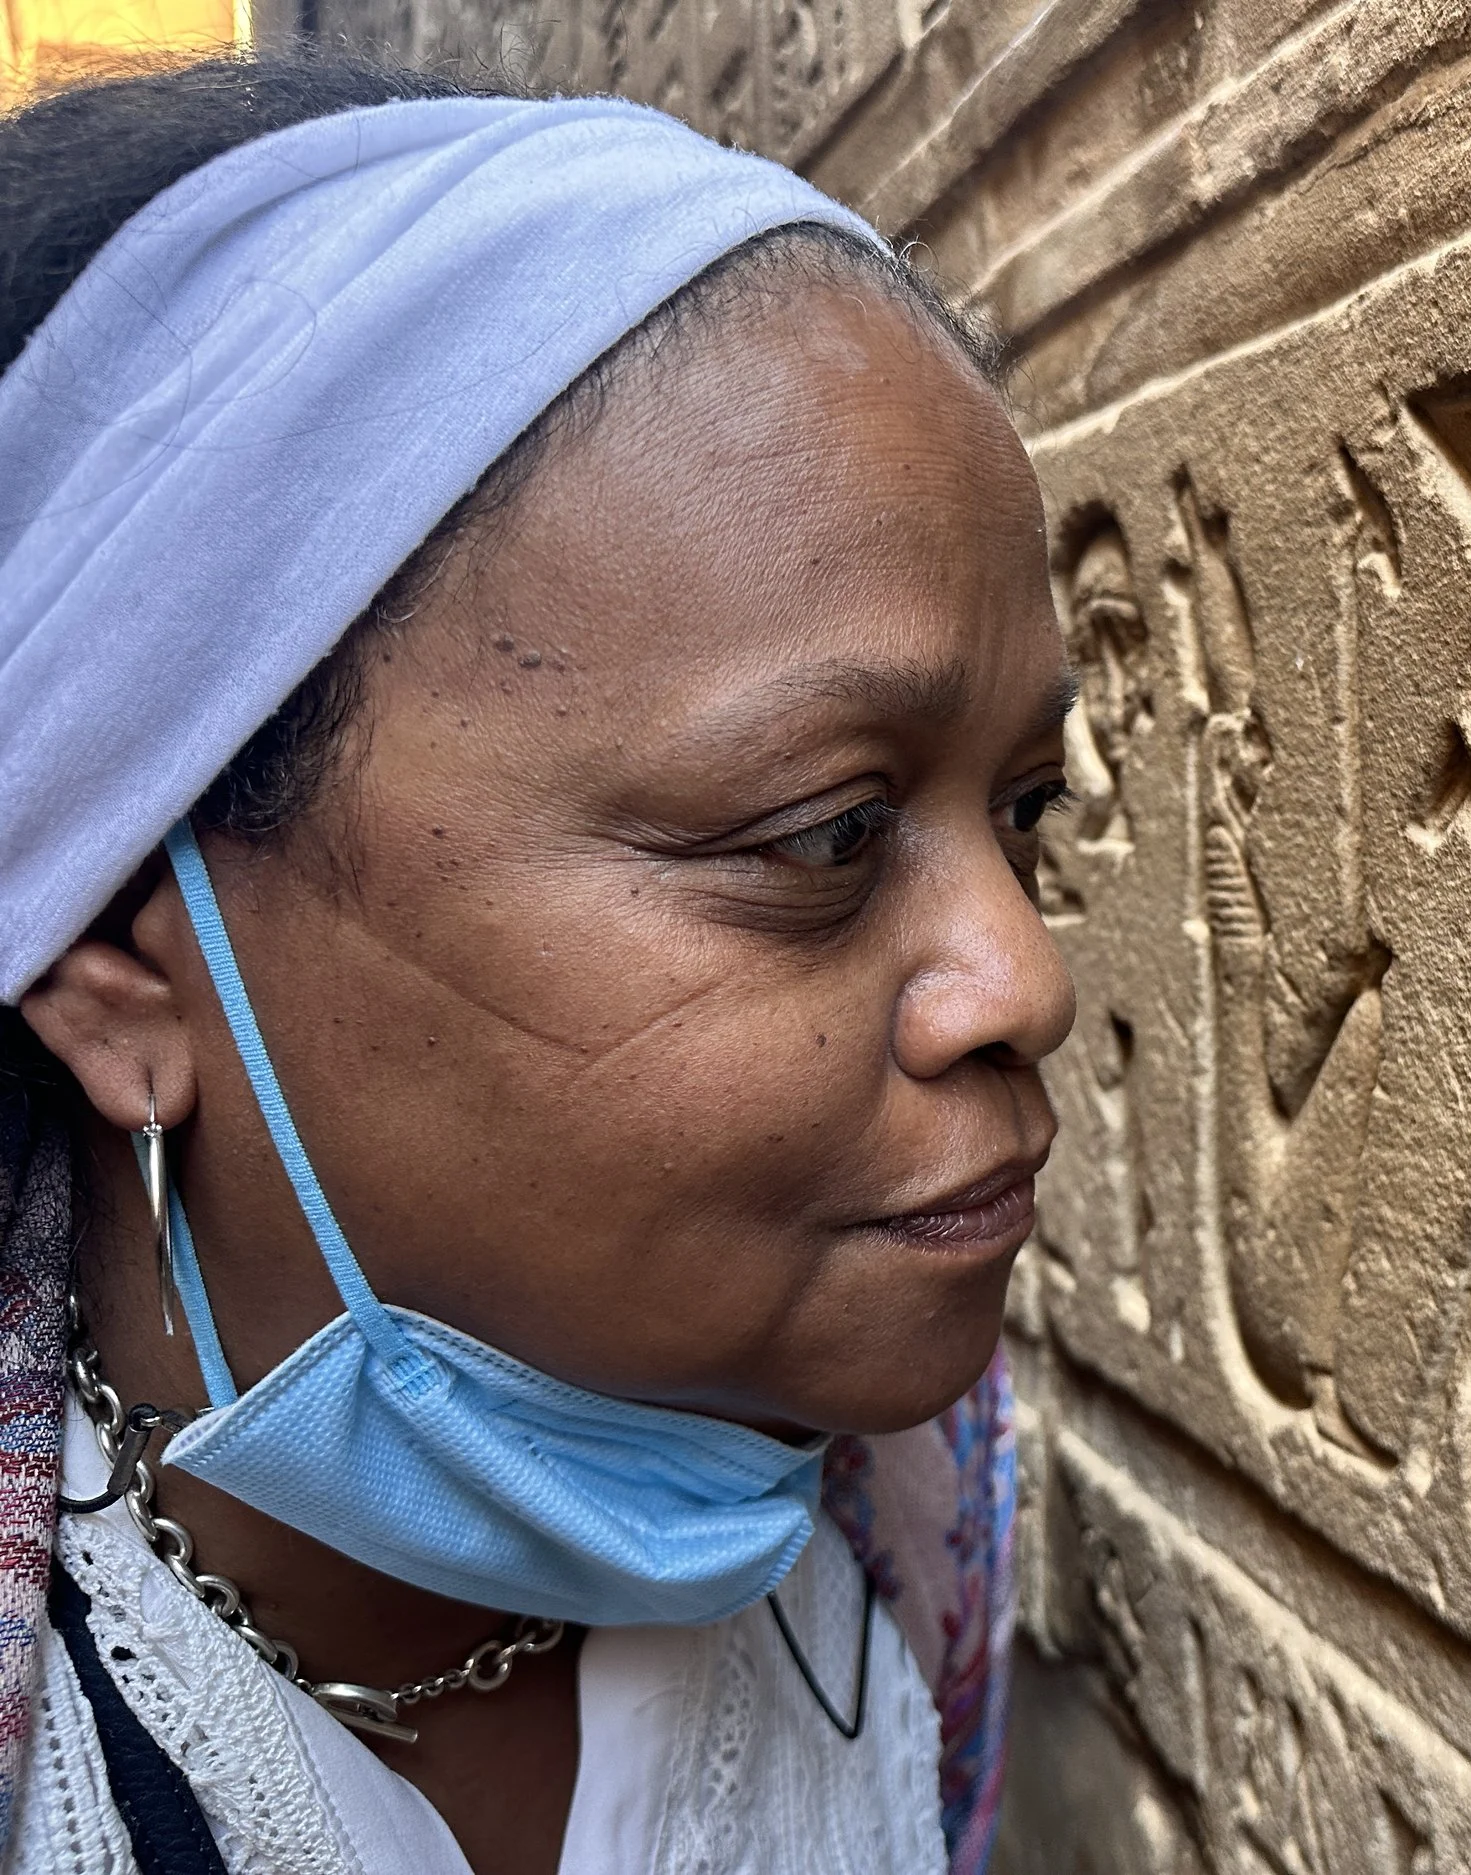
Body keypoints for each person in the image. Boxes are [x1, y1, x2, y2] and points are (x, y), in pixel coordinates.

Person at [0, 52, 1076, 1875]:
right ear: (126, 964)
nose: (1021, 978)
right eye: (823, 832)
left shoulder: (904, 1544)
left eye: (1030, 811)